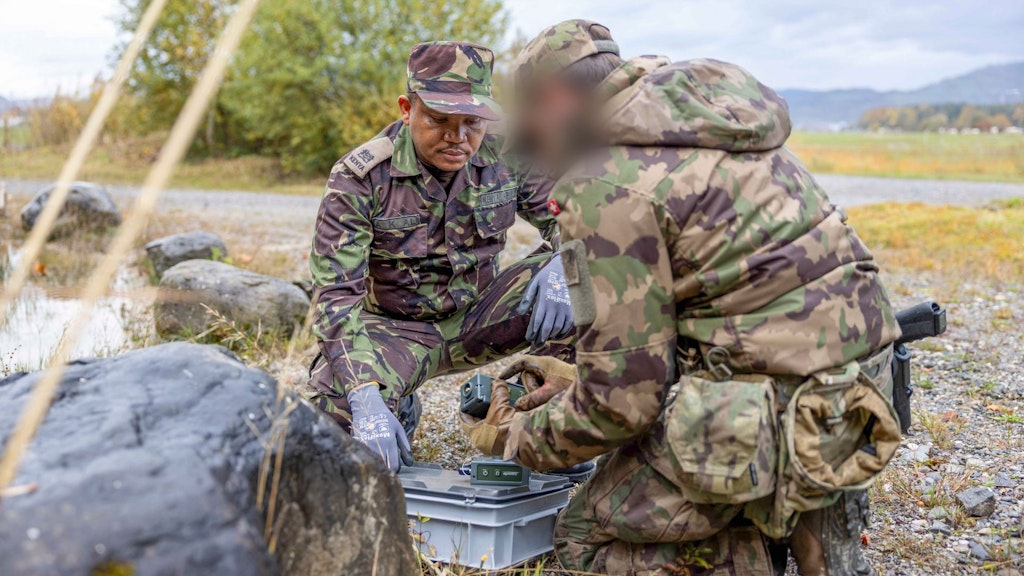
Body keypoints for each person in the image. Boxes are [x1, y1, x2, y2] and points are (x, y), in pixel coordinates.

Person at [462, 20, 903, 575]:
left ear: (554, 99)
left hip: (772, 412)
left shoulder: (605, 182)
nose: (543, 163)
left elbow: (620, 407)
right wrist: (575, 381)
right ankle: (796, 504)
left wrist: (518, 438)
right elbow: (717, 310)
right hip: (864, 389)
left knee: (583, 540)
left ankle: (750, 535)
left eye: (536, 138)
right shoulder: (705, 126)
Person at [305, 41, 573, 472]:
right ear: (407, 109)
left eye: (473, 121)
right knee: (333, 410)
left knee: (592, 284)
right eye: (439, 120)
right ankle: (395, 407)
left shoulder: (508, 152)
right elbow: (335, 298)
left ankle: (550, 435)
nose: (458, 136)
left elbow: (571, 219)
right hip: (397, 331)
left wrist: (565, 262)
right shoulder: (359, 178)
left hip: (482, 315)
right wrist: (365, 395)